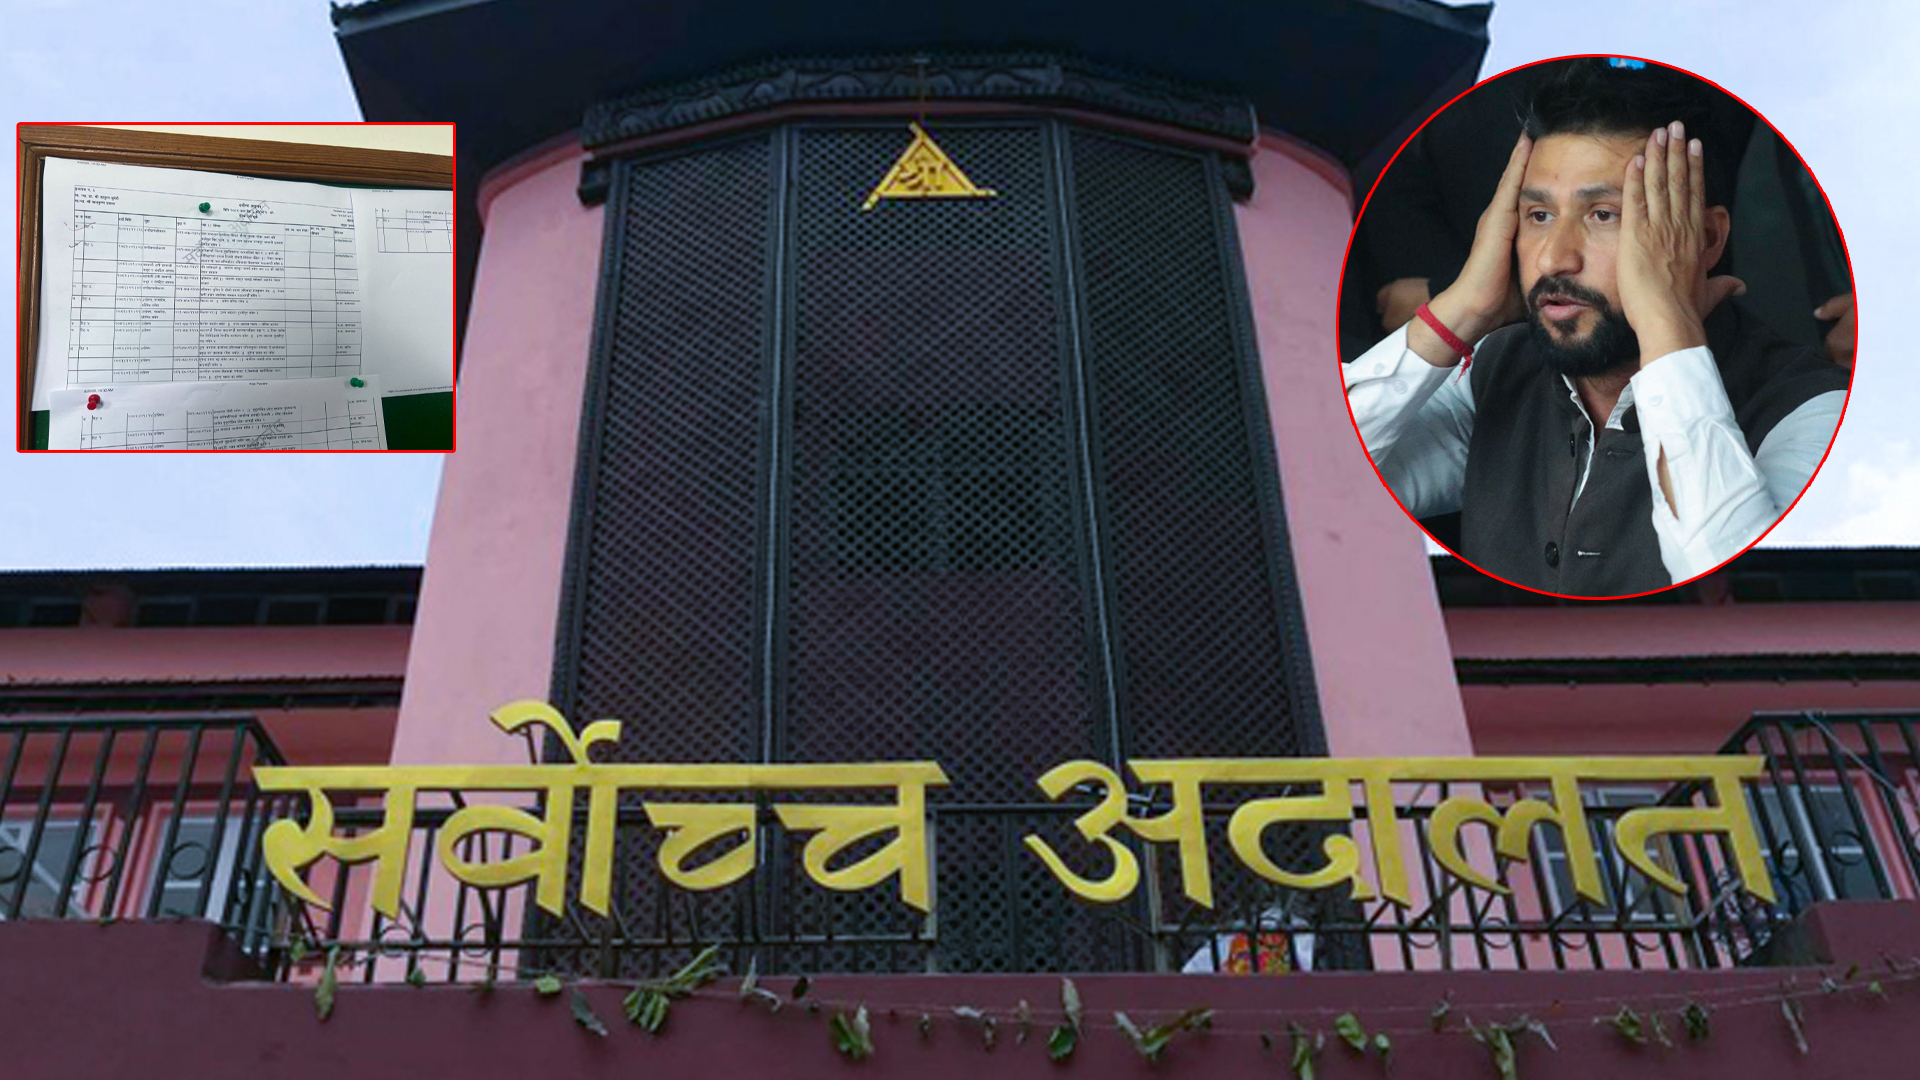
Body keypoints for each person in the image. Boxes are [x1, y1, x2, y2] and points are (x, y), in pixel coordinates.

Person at [1344, 60, 1850, 596]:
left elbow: (1731, 590)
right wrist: (1464, 308)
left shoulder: (1814, 409)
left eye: (1603, 214)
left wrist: (1666, 324)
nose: (1554, 259)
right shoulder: (1495, 371)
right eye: (1539, 216)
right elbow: (1317, 475)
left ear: (1704, 239)